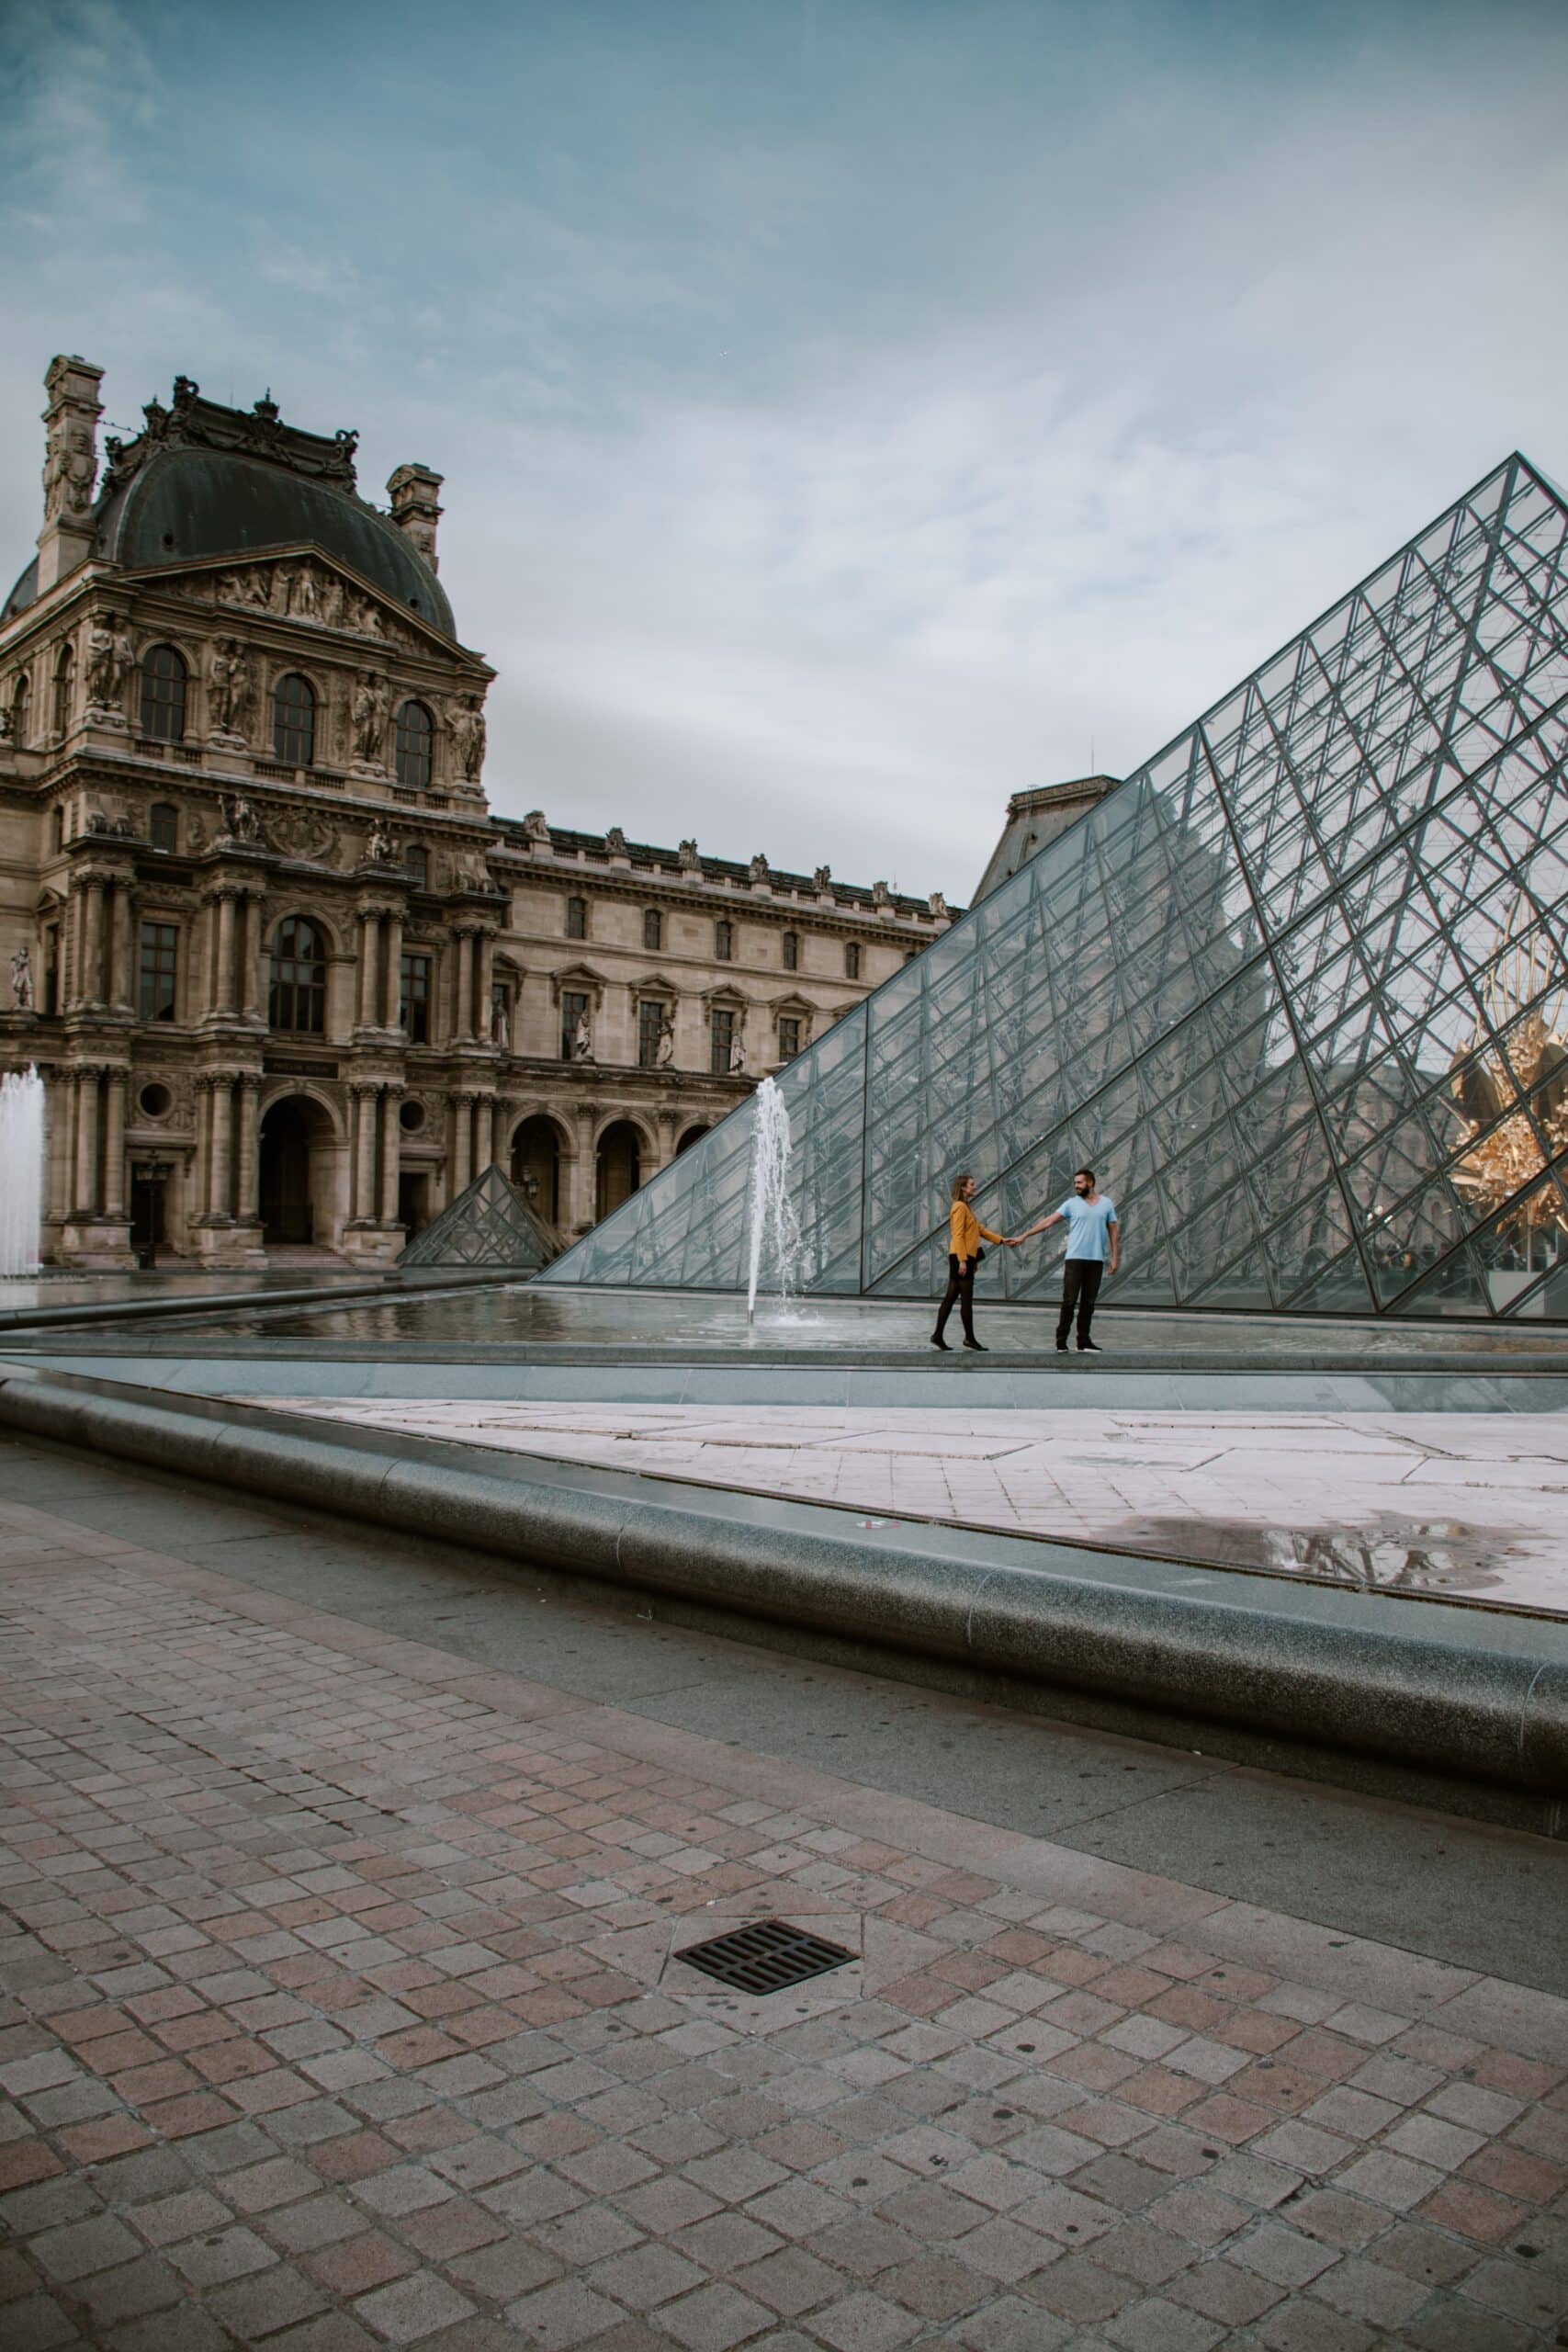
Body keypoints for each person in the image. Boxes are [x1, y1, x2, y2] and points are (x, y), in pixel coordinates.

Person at [1015, 1167, 1120, 1352]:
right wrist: (1025, 1235)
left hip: (1096, 1260)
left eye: (1079, 1183)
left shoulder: (1106, 1204)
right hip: (1074, 1259)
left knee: (1089, 1303)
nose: (1076, 1186)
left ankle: (1083, 1341)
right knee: (1069, 1302)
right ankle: (1061, 1341)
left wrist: (1115, 1258)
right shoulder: (1071, 1203)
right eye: (1075, 1183)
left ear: (1091, 1182)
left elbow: (1113, 1231)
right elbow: (1048, 1221)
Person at [931, 1173, 1012, 1352]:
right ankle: (969, 1338)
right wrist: (962, 1261)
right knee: (965, 1300)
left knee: (951, 1298)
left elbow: (980, 1230)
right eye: (972, 1184)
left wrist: (1001, 1240)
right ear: (963, 1187)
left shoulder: (965, 1207)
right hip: (962, 1257)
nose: (975, 1187)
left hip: (962, 1256)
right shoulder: (960, 1207)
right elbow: (958, 1235)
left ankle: (938, 1335)